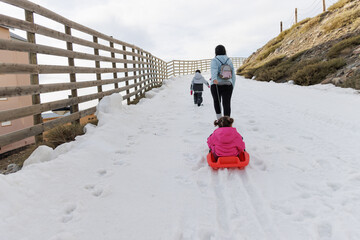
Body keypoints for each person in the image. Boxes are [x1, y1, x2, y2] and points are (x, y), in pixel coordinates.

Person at [210, 45, 236, 119]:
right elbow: (233, 75)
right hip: (228, 84)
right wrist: (232, 85)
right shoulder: (229, 60)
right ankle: (227, 122)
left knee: (217, 102)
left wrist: (214, 81)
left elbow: (214, 72)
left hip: (216, 84)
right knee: (227, 103)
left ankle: (219, 120)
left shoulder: (214, 60)